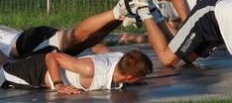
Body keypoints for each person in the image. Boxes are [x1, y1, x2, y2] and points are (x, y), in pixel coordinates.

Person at [0, 0, 148, 63]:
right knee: (89, 40)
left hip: (27, 44)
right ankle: (123, 13)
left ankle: (118, 12)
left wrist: (8, 69)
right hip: (29, 41)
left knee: (76, 37)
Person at [0, 49, 152, 93]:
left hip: (42, 68)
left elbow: (99, 48)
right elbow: (52, 57)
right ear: (130, 76)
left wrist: (134, 80)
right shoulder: (90, 69)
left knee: (7, 63)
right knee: (4, 73)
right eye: (139, 76)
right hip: (34, 73)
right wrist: (59, 84)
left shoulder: (121, 58)